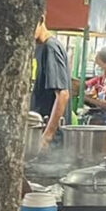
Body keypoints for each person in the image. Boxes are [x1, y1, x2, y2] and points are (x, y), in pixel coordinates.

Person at [33, 12, 71, 149]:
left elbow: (63, 95)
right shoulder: (37, 47)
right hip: (36, 134)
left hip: (50, 142)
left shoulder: (51, 48)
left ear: (41, 20)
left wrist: (47, 136)